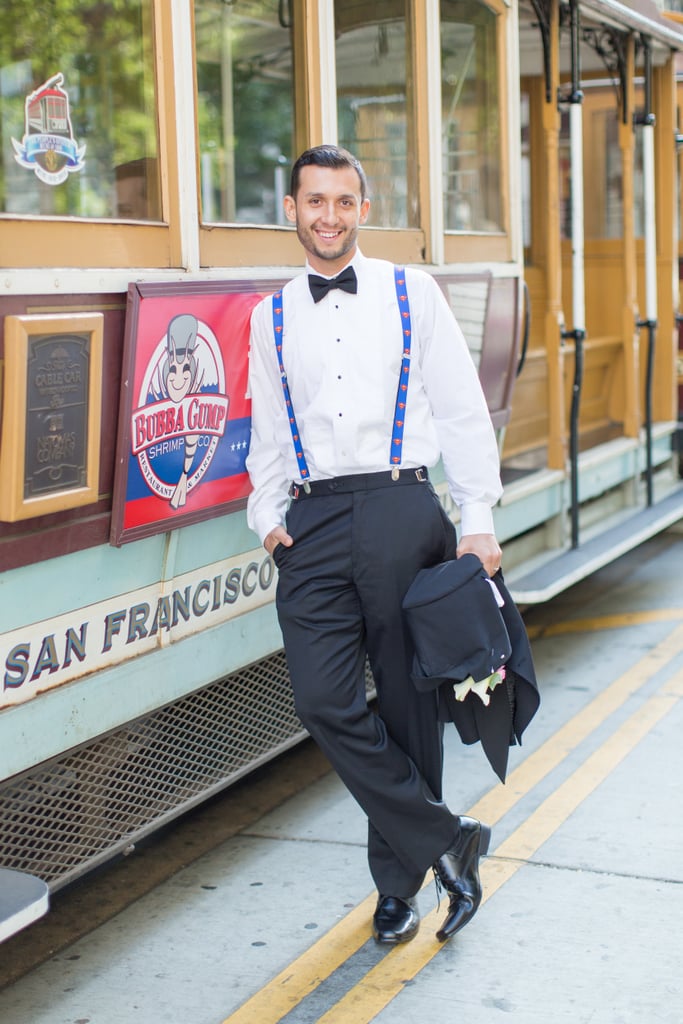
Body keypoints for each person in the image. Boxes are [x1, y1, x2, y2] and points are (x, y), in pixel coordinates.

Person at [246, 144, 503, 945]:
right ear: (290, 209)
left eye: (343, 201)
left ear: (363, 208)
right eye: (313, 201)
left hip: (400, 505)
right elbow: (264, 430)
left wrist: (476, 519)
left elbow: (460, 410)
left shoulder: (410, 290)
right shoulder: (270, 313)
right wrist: (266, 518)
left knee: (404, 706)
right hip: (313, 521)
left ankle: (397, 887)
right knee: (322, 701)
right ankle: (444, 839)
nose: (328, 216)